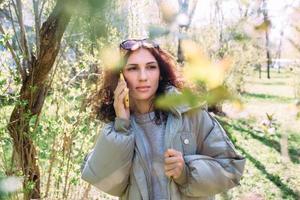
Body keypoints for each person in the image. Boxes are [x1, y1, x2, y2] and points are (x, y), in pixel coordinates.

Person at [81, 39, 246, 200]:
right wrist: (122, 125)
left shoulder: (190, 113)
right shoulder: (117, 127)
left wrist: (186, 173)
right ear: (121, 76)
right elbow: (107, 183)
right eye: (132, 68)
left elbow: (231, 170)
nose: (143, 76)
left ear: (160, 74)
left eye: (151, 67)